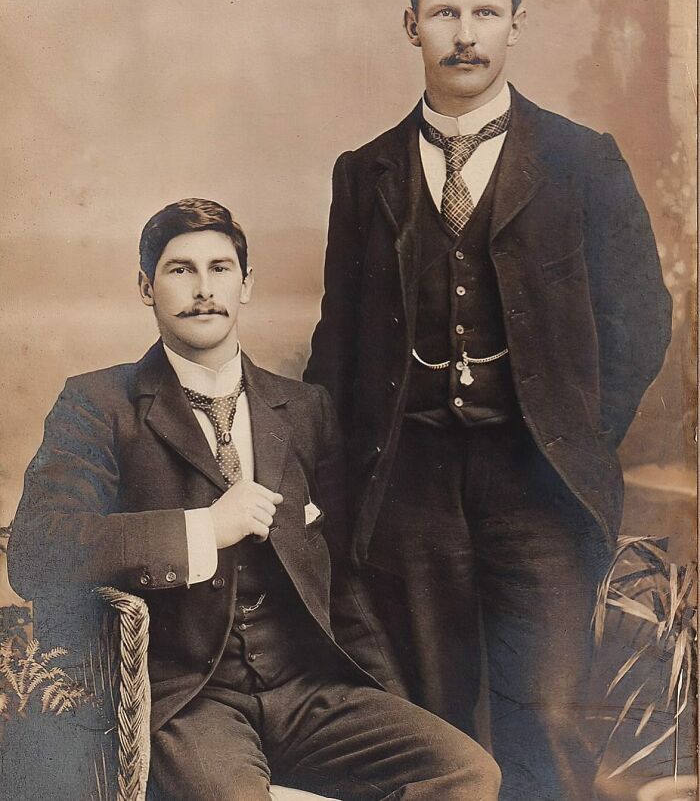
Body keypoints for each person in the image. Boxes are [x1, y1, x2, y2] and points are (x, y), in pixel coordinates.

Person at [304, 0, 672, 801]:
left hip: (539, 486)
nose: (465, 34)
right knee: (430, 725)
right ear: (411, 26)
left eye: (484, 12)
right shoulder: (365, 173)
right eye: (444, 13)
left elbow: (640, 320)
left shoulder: (583, 160)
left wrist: (574, 431)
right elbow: (338, 346)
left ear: (516, 24)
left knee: (549, 712)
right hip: (409, 491)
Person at [7, 198, 500, 801]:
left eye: (220, 269)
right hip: (191, 700)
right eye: (180, 269)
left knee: (466, 773)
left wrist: (388, 696)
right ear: (146, 287)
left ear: (246, 285)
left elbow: (341, 582)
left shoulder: (305, 409)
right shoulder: (99, 404)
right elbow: (37, 551)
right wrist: (203, 528)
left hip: (306, 689)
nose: (204, 289)